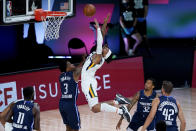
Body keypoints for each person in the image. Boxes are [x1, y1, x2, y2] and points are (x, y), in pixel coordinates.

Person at [81, 16, 131, 122]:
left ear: (105, 54)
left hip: (88, 83)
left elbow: (99, 41)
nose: (106, 47)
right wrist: (104, 23)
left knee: (95, 108)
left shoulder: (98, 58)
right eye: (106, 47)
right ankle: (118, 102)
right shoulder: (99, 55)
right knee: (95, 108)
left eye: (107, 48)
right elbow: (102, 36)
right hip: (88, 81)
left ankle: (121, 110)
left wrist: (98, 28)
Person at [58, 57, 85, 131]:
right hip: (70, 105)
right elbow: (83, 67)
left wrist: (82, 61)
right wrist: (85, 60)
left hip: (62, 104)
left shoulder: (61, 76)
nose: (73, 64)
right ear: (67, 68)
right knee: (76, 128)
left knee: (68, 127)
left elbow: (76, 68)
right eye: (70, 64)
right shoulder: (74, 74)